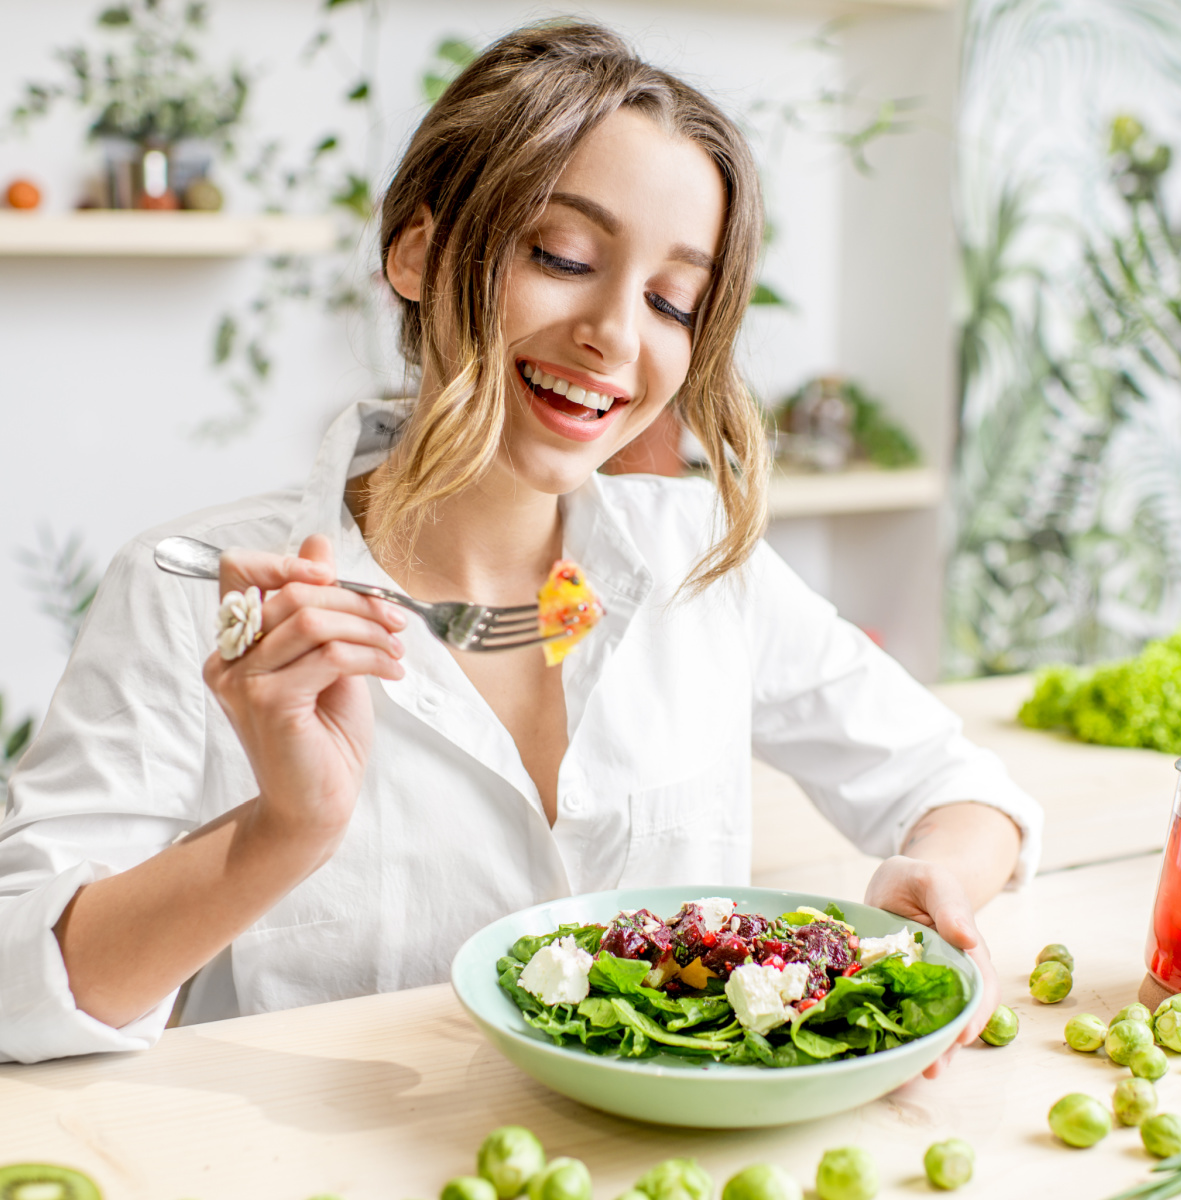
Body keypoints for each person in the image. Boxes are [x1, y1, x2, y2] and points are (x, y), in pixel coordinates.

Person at [0, 22, 1041, 1068]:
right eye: (564, 257)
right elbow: (18, 989)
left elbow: (959, 787)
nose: (616, 337)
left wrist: (936, 880)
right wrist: (287, 830)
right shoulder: (197, 591)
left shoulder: (697, 562)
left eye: (673, 300)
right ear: (416, 252)